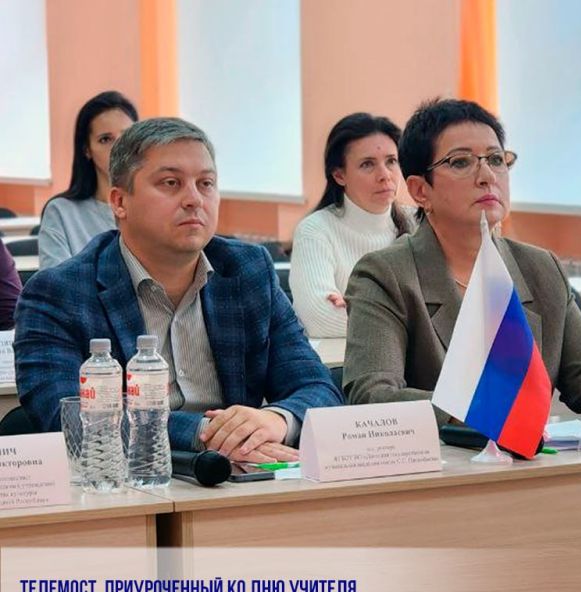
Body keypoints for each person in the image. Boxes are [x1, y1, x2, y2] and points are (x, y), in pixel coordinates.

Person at [15, 118, 341, 462]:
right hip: (132, 483)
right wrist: (205, 433)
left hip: (243, 472)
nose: (194, 199)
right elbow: (70, 420)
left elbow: (318, 388)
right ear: (120, 201)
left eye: (206, 183)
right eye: (171, 183)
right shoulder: (58, 293)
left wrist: (276, 420)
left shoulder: (248, 271)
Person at [343, 99, 581, 423]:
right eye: (460, 162)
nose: (487, 176)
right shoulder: (386, 276)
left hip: (532, 455)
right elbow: (374, 397)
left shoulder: (540, 268)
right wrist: (489, 412)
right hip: (443, 455)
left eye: (496, 159)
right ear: (420, 190)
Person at [290, 113, 413, 338]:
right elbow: (319, 319)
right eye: (367, 164)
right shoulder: (315, 230)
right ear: (339, 175)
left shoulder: (419, 222)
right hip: (342, 359)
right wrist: (412, 318)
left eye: (391, 161)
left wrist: (359, 308)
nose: (385, 175)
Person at [39, 91, 138, 269]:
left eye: (126, 137)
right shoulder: (61, 212)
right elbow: (53, 283)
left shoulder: (155, 207)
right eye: (105, 139)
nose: (119, 148)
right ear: (87, 150)